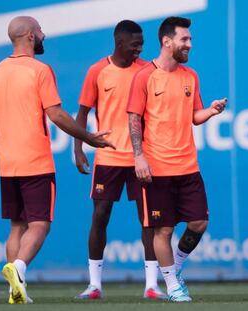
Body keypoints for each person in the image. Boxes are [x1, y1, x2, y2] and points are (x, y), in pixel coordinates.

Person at [0, 16, 114, 304]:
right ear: (31, 36)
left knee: (17, 226)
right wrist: (87, 137)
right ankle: (18, 270)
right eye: (41, 31)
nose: (44, 35)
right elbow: (56, 114)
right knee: (40, 225)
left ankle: (15, 291)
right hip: (35, 161)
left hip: (7, 162)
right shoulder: (40, 70)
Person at [127, 16, 226, 302]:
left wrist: (211, 111)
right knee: (164, 229)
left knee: (199, 223)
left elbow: (194, 116)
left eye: (190, 39)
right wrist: (139, 157)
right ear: (166, 42)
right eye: (185, 39)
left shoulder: (190, 76)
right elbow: (133, 118)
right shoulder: (144, 75)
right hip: (156, 167)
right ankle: (172, 285)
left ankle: (176, 266)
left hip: (188, 166)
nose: (189, 44)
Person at [74, 20, 166, 300]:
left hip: (142, 159)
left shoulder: (149, 71)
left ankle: (151, 285)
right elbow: (82, 113)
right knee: (100, 216)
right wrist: (78, 148)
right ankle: (94, 285)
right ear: (119, 43)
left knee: (149, 221)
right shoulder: (97, 71)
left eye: (142, 43)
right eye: (135, 44)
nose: (140, 48)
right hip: (108, 156)